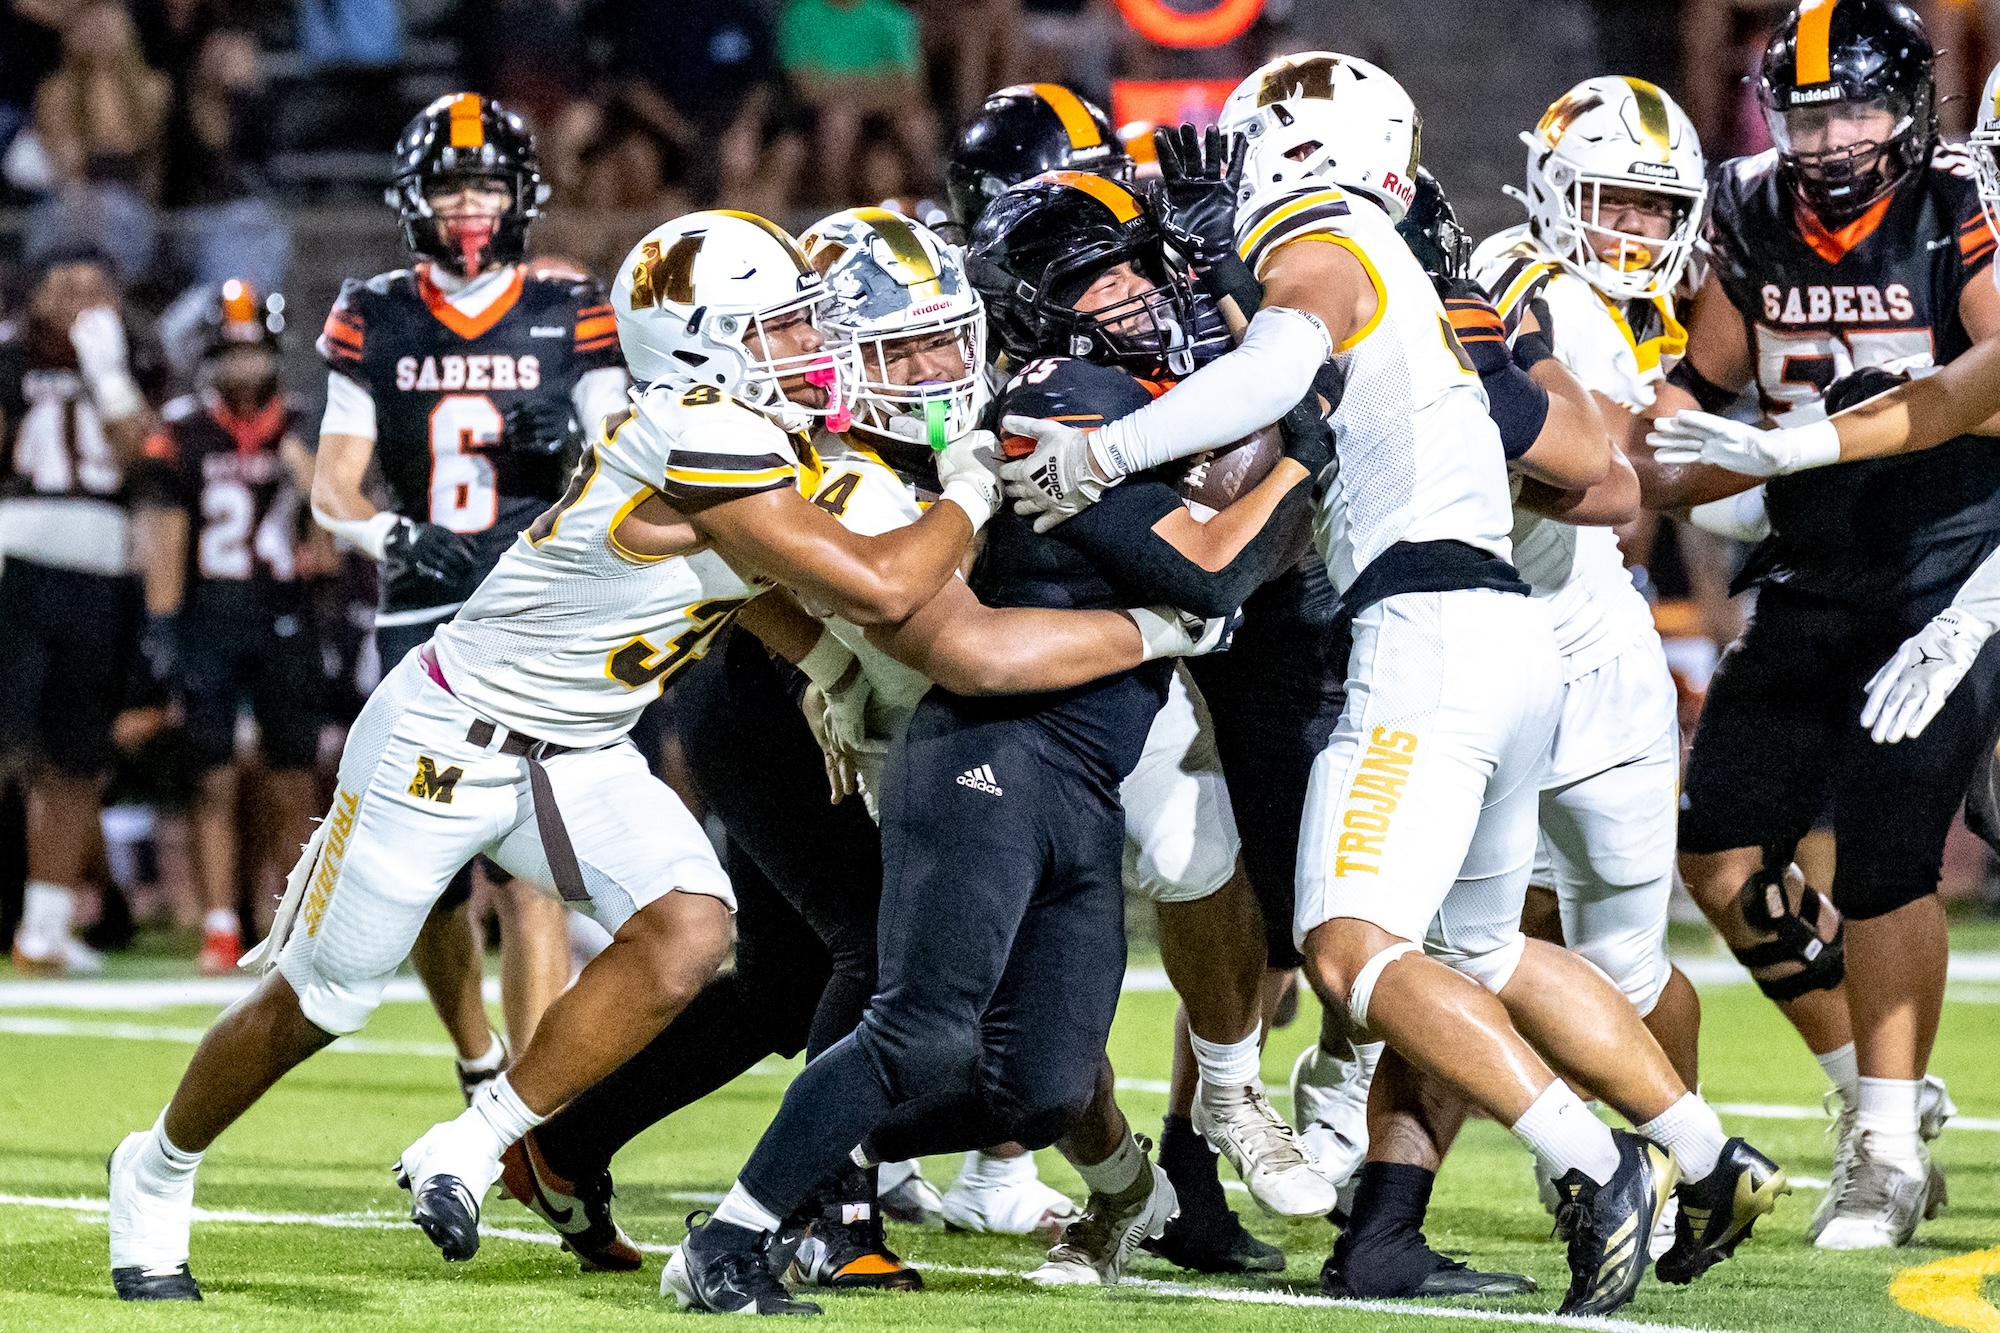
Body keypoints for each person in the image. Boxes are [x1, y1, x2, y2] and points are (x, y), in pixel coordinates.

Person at [106, 205, 1035, 1300]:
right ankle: (156, 1166)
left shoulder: (758, 430)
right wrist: (975, 479)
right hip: (446, 737)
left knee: (689, 930)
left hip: (579, 746)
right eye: (783, 326)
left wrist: (830, 676)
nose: (812, 341)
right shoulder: (703, 428)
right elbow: (879, 583)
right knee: (321, 1002)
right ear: (705, 349)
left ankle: (475, 1139)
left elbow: (738, 586)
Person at [999, 53, 1773, 1316]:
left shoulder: (1322, 229)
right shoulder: (1413, 271)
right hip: (1506, 632)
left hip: (1424, 634)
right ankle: (1704, 1148)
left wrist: (1101, 453)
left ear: (1298, 150)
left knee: (1347, 945)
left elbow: (1269, 376)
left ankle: (1595, 1165)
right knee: (1480, 949)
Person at [664, 179, 1324, 1315]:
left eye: (944, 341)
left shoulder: (1022, 408)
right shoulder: (923, 451)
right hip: (973, 750)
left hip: (1077, 769)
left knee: (1042, 1083)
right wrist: (1188, 596)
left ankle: (1084, 1174)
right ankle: (745, 1227)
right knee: (915, 1025)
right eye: (903, 350)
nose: (934, 371)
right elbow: (992, 647)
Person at [1631, 0, 1988, 1250]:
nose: (1831, 139)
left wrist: (1806, 441)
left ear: (1911, 109)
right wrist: (1665, 456)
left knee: (1887, 844)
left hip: (1948, 561)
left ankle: (1883, 1151)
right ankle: (1870, 1097)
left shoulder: (1957, 201)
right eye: (1807, 115)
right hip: (1814, 560)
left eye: (1856, 110)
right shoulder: (1747, 208)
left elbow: (1989, 372)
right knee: (1720, 853)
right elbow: (1702, 383)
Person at [310, 93, 629, 1097]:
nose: (468, 206)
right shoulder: (374, 311)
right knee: (428, 877)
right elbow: (333, 485)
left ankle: (527, 1102)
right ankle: (477, 1056)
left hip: (535, 607)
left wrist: (573, 446)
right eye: (450, 187)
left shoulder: (569, 305)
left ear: (519, 194)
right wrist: (393, 535)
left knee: (533, 869)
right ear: (415, 200)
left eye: (486, 185)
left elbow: (624, 458)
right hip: (420, 604)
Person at [1468, 76, 1724, 1227]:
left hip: (1579, 651)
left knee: (1601, 955)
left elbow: (1618, 490)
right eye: (1610, 201)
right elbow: (1613, 484)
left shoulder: (1593, 299)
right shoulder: (1532, 288)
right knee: (1462, 939)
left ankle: (1661, 1165)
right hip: (1498, 643)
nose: (1631, 229)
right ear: (1552, 187)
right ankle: (1637, 1158)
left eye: (1653, 209)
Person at [132, 280, 325, 973]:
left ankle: (292, 917)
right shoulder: (182, 431)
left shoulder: (305, 425)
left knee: (292, 778)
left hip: (286, 612)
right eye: (229, 353)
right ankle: (219, 923)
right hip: (210, 614)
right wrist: (163, 624)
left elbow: (333, 542)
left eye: (252, 352)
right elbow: (165, 534)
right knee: (210, 774)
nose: (243, 366)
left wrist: (312, 480)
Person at [1, 247, 149, 975]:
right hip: (17, 559)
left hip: (101, 569)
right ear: (37, 299)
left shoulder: (137, 358)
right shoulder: (11, 360)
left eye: (95, 288)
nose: (80, 302)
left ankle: (46, 928)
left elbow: (139, 457)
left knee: (74, 757)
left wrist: (108, 372)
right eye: (65, 288)